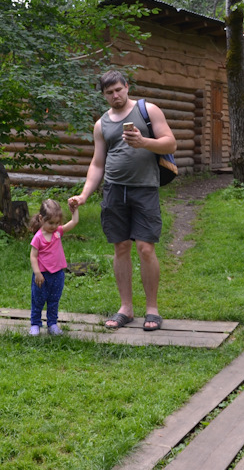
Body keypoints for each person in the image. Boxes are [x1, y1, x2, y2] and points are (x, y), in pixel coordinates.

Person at [68, 70, 177, 332]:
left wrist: (143, 142)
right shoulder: (101, 124)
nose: (115, 95)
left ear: (127, 87)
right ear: (103, 95)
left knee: (146, 248)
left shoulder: (148, 111)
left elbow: (170, 144)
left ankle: (152, 309)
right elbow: (97, 163)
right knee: (120, 248)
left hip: (144, 189)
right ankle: (125, 309)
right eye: (109, 92)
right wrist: (84, 194)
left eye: (119, 89)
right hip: (114, 191)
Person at [28, 199, 79, 336]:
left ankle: (52, 324)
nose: (54, 226)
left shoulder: (58, 232)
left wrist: (74, 211)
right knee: (38, 300)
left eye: (57, 223)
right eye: (50, 223)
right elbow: (33, 256)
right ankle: (35, 324)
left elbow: (74, 223)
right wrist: (37, 273)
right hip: (42, 276)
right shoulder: (38, 237)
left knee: (54, 300)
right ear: (41, 218)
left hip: (57, 274)